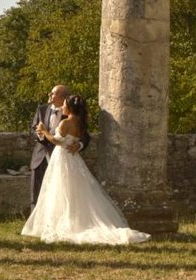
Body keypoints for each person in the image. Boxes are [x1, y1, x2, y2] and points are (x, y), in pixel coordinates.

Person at [21, 94, 149, 245]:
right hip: (74, 159)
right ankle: (71, 221)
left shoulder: (65, 123)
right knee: (75, 190)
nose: (62, 107)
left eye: (64, 105)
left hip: (62, 158)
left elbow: (57, 141)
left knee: (61, 189)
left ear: (69, 107)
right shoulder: (80, 123)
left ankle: (64, 223)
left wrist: (44, 131)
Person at [29, 84, 86, 204]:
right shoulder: (42, 109)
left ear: (63, 97)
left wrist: (79, 145)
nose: (49, 94)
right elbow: (33, 129)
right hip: (40, 157)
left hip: (63, 158)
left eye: (53, 93)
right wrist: (40, 134)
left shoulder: (70, 115)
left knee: (62, 194)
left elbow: (85, 135)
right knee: (37, 193)